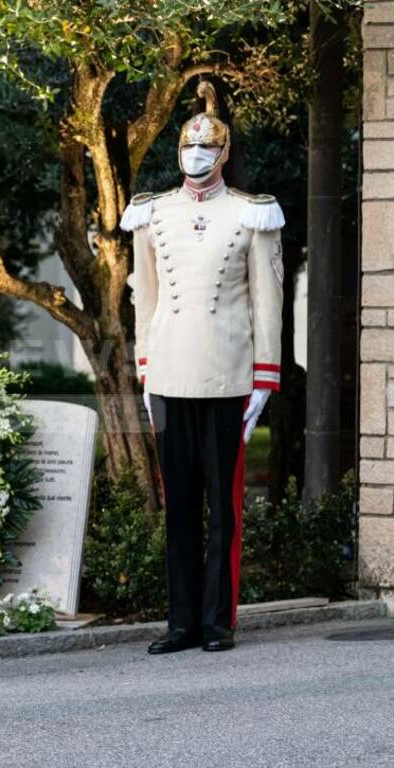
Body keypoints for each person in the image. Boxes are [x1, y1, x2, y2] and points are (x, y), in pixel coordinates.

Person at [121, 81, 283, 655]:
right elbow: (145, 297)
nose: (196, 157)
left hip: (228, 375)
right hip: (168, 372)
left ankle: (218, 621)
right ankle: (181, 622)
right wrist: (145, 368)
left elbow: (268, 302)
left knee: (224, 507)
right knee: (181, 506)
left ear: (223, 153)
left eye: (206, 149)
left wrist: (266, 377)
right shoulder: (151, 213)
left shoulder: (252, 214)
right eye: (189, 148)